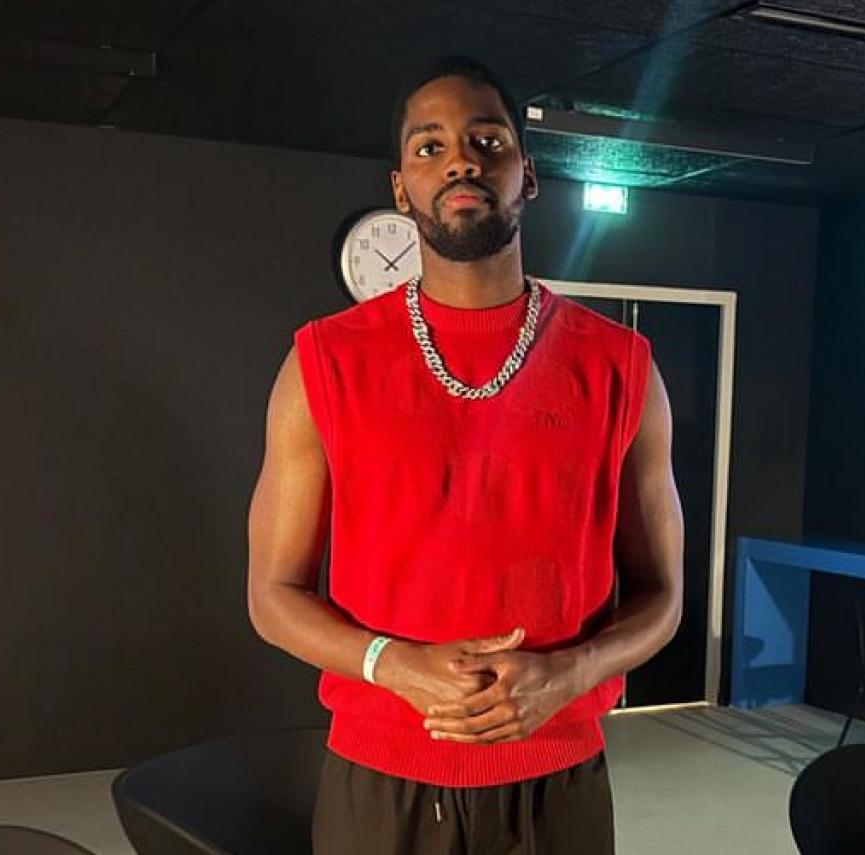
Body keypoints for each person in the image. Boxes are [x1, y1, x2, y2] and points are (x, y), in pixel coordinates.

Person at [246, 55, 684, 855]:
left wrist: (570, 673)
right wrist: (393, 663)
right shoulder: (323, 363)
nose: (460, 161)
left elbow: (663, 597)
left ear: (528, 175)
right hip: (381, 778)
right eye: (430, 146)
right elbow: (271, 595)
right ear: (400, 187)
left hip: (560, 777)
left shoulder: (622, 367)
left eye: (489, 141)